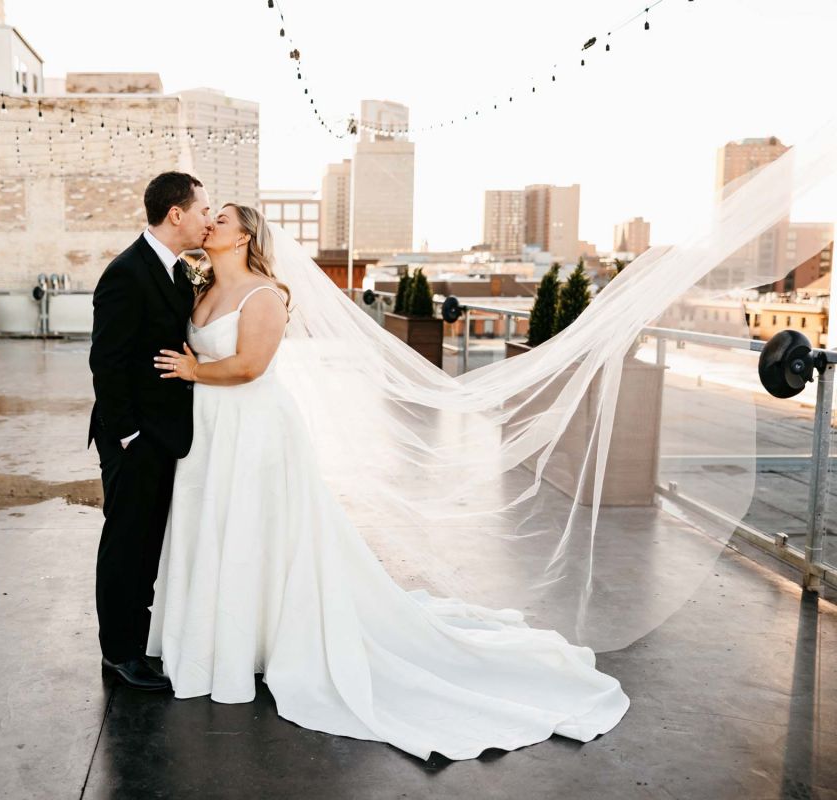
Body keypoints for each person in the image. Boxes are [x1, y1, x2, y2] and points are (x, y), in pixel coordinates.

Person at [147, 203, 630, 761]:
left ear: (246, 237)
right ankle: (225, 636)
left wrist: (193, 371)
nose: (212, 224)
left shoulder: (263, 296)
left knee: (258, 530)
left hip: (252, 430)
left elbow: (252, 366)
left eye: (224, 220)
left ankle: (257, 640)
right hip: (210, 432)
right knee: (219, 528)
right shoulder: (200, 287)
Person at [87, 171, 213, 691]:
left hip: (165, 435)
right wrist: (127, 435)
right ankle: (120, 654)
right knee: (126, 544)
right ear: (176, 213)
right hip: (135, 439)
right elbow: (106, 361)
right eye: (203, 210)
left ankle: (136, 643)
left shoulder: (182, 273)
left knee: (148, 546)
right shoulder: (127, 272)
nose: (208, 218)